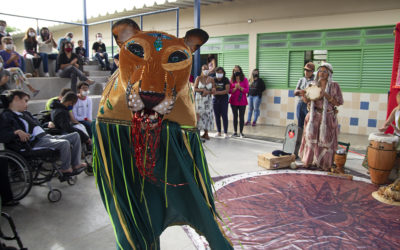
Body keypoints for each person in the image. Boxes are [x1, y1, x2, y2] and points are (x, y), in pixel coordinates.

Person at [0, 89, 86, 175]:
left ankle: (76, 164)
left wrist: (47, 123)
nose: (27, 104)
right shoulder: (7, 116)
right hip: (34, 142)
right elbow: (3, 135)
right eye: (25, 101)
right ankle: (65, 168)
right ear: (16, 98)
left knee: (75, 135)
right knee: (64, 143)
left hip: (45, 136)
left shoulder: (26, 113)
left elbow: (37, 126)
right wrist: (16, 132)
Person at [298, 62, 343, 170]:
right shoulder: (313, 84)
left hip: (327, 117)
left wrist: (326, 95)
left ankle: (324, 164)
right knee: (311, 139)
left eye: (324, 71)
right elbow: (307, 100)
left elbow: (339, 102)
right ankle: (308, 161)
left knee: (325, 142)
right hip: (314, 116)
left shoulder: (334, 86)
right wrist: (304, 97)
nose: (321, 73)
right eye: (320, 71)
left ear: (329, 74)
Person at [194, 64, 215, 140]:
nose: (205, 70)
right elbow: (195, 89)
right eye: (204, 69)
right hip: (199, 100)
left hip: (208, 100)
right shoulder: (198, 78)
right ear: (201, 70)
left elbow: (213, 90)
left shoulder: (211, 79)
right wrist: (202, 90)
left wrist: (208, 92)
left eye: (206, 69)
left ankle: (206, 133)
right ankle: (197, 133)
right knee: (199, 115)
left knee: (207, 115)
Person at [229, 65, 249, 138]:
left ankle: (241, 132)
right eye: (235, 71)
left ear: (240, 71)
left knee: (241, 117)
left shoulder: (245, 79)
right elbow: (229, 91)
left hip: (242, 101)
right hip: (233, 101)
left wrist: (240, 88)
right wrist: (235, 88)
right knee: (235, 116)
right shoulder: (231, 80)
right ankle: (235, 132)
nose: (236, 72)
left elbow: (247, 90)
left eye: (237, 70)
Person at [294, 62, 315, 129]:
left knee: (309, 124)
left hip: (309, 105)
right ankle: (300, 138)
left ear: (312, 71)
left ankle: (307, 139)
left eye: (308, 70)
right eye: (305, 70)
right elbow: (295, 92)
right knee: (300, 124)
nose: (306, 72)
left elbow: (312, 94)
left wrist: (301, 92)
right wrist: (303, 92)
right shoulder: (301, 80)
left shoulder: (315, 81)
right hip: (300, 103)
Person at [213, 66, 230, 138]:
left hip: (224, 100)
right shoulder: (213, 79)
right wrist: (214, 92)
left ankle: (225, 132)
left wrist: (217, 93)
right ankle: (219, 131)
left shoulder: (226, 79)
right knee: (217, 116)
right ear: (215, 73)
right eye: (218, 72)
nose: (219, 74)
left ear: (223, 73)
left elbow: (227, 90)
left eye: (221, 72)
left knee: (224, 116)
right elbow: (212, 89)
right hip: (215, 100)